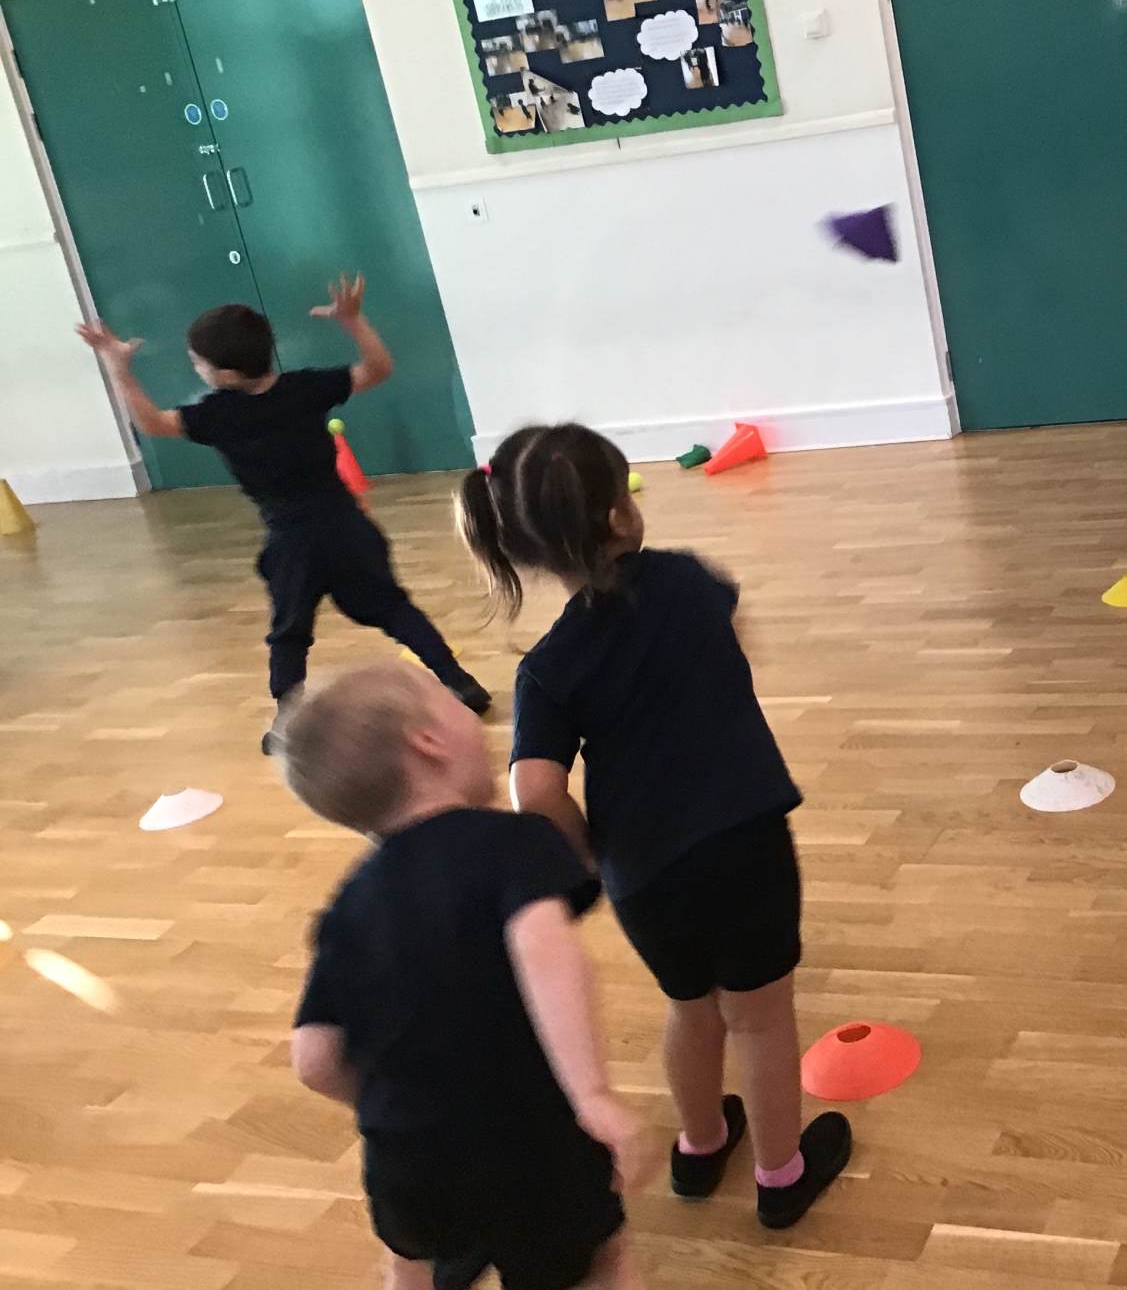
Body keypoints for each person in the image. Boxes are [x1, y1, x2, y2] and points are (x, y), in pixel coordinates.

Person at [456, 423, 851, 1231]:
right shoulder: (688, 580)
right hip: (743, 842)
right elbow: (734, 643)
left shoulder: (547, 668)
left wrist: (587, 855)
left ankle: (701, 1146)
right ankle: (780, 1176)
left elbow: (535, 788)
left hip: (644, 873)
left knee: (690, 1005)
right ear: (619, 515)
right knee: (760, 1016)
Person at [282, 662, 644, 1290]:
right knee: (601, 1262)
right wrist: (592, 1096)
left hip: (405, 1156)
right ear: (428, 741)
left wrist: (398, 1107)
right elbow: (545, 951)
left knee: (410, 1263)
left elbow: (313, 1059)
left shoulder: (349, 905)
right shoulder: (513, 842)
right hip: (529, 1143)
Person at [76, 276, 489, 752]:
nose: (196, 369)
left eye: (198, 363)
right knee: (395, 608)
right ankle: (458, 681)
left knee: (290, 635)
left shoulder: (217, 414)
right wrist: (353, 321)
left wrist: (117, 364)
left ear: (224, 373)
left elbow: (150, 422)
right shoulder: (305, 387)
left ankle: (287, 722)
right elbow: (378, 369)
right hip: (346, 526)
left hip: (292, 542)